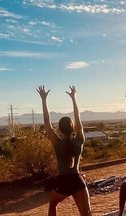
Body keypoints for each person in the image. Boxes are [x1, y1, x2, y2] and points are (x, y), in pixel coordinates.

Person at [37, 85, 91, 216]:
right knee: (86, 213)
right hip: (77, 179)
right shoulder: (79, 140)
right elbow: (78, 120)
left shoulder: (57, 142)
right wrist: (74, 98)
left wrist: (44, 100)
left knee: (53, 204)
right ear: (73, 128)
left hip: (62, 181)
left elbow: (47, 122)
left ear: (59, 129)